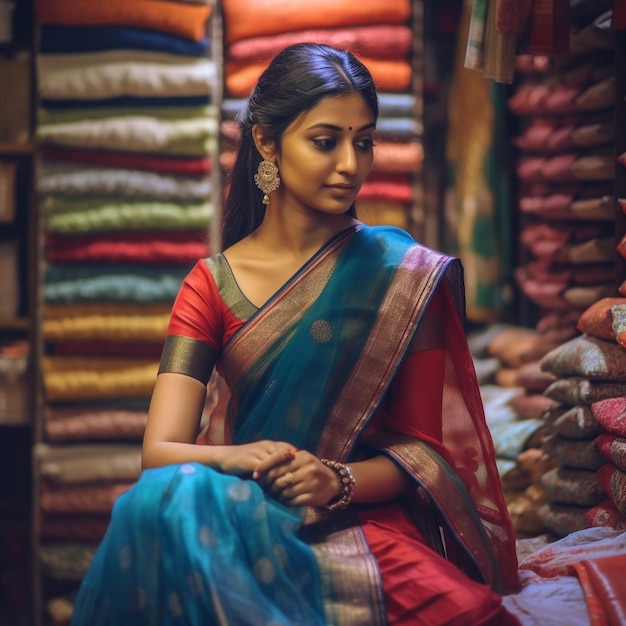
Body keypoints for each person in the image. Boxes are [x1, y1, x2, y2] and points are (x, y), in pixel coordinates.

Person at [71, 43, 520, 625]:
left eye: (364, 142)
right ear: (265, 141)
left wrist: (335, 479)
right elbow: (159, 455)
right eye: (325, 141)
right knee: (166, 502)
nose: (350, 165)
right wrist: (243, 459)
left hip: (362, 520)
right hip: (241, 512)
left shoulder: (402, 274)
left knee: (469, 614)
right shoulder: (211, 286)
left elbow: (423, 455)